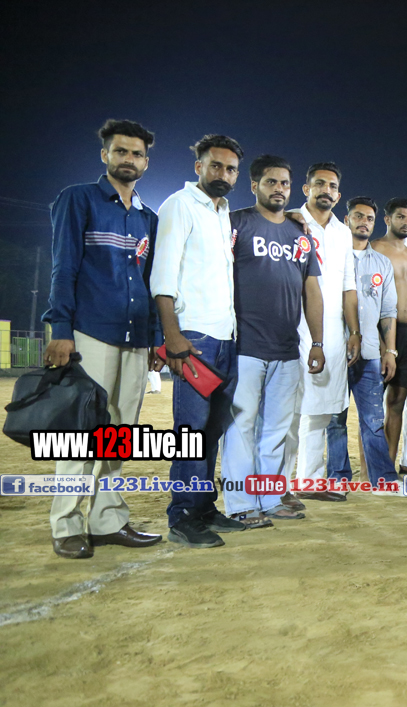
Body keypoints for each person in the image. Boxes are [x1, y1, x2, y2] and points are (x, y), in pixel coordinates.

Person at [42, 118, 164, 558]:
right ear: (105, 155)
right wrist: (61, 330)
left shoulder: (149, 218)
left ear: (146, 162)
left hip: (135, 337)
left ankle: (107, 521)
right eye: (121, 151)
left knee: (119, 434)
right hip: (90, 332)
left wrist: (155, 338)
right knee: (82, 432)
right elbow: (64, 268)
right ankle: (66, 524)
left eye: (137, 154)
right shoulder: (78, 199)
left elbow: (152, 283)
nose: (128, 159)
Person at [150, 133, 247, 547]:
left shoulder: (222, 212)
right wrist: (172, 336)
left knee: (210, 432)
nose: (223, 173)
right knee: (190, 432)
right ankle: (182, 516)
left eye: (231, 169)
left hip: (226, 337)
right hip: (193, 338)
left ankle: (204, 508)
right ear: (199, 167)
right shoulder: (179, 205)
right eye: (216, 165)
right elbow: (163, 275)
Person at [223, 155, 324, 528]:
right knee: (240, 429)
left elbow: (312, 290)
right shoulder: (236, 223)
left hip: (286, 348)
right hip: (244, 346)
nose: (279, 189)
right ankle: (240, 504)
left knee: (276, 431)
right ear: (254, 186)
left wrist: (317, 342)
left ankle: (269, 498)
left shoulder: (300, 235)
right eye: (271, 182)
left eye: (284, 183)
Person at [287, 162, 361, 502]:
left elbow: (348, 285)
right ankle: (277, 486)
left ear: (338, 195)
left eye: (332, 186)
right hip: (291, 324)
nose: (325, 190)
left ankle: (310, 481)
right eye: (319, 184)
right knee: (287, 409)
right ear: (306, 189)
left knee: (320, 410)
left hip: (331, 329)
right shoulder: (289, 222)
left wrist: (354, 331)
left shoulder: (343, 233)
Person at [327, 197, 401, 487]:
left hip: (370, 353)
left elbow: (388, 312)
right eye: (358, 216)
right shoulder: (332, 257)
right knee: (335, 420)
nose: (364, 222)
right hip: (335, 351)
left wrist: (390, 351)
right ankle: (338, 478)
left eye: (369, 218)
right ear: (346, 220)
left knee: (373, 420)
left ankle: (383, 478)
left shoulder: (382, 263)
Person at [371, 197, 407, 472]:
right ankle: (371, 468)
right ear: (387, 219)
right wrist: (379, 341)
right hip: (380, 329)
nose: (406, 222)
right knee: (373, 405)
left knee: (397, 402)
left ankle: (388, 468)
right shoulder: (375, 248)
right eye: (401, 217)